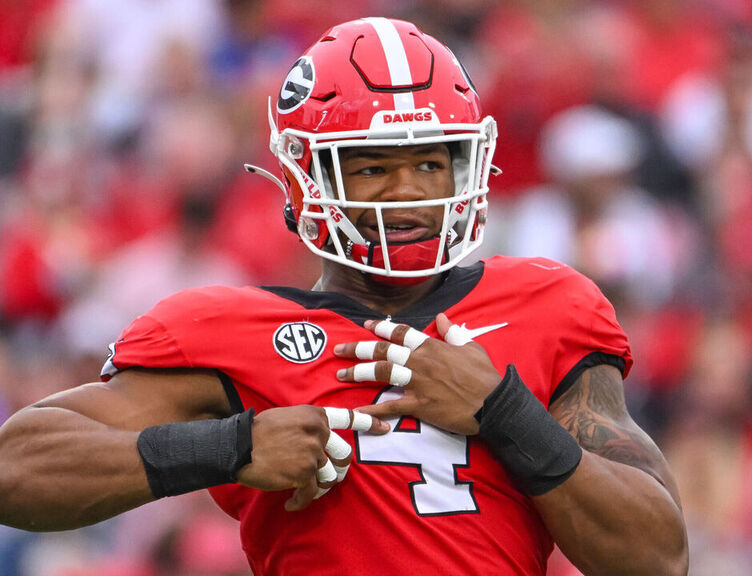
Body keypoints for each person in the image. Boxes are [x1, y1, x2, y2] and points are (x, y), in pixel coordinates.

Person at [0, 17, 687, 576]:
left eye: (430, 159)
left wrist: (503, 411)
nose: (412, 190)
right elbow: (15, 469)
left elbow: (657, 558)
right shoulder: (227, 328)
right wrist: (229, 447)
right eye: (371, 166)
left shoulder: (547, 305)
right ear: (308, 178)